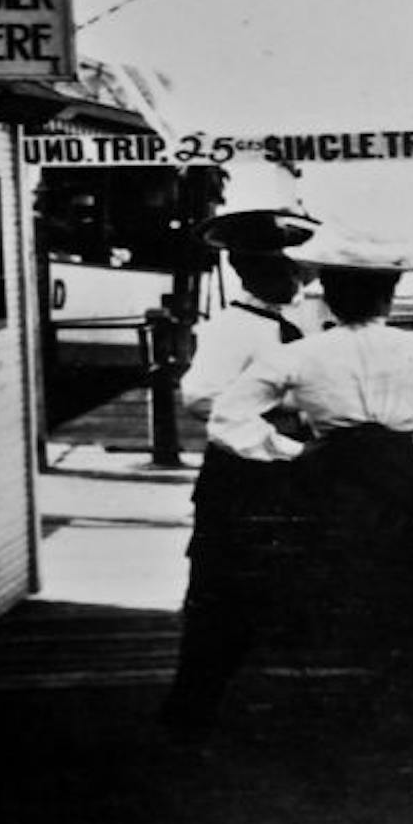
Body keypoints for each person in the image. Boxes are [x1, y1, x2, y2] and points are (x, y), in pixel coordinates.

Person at [206, 236, 413, 735]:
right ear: (388, 298)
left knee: (335, 582)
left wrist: (292, 453)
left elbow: (225, 419)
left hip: (330, 486)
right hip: (407, 485)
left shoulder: (301, 354)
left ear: (329, 296)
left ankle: (340, 699)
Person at [160, 222, 326, 736]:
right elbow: (201, 397)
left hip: (289, 472)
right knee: (220, 592)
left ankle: (282, 698)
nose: (291, 279)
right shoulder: (232, 330)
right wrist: (273, 429)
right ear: (243, 270)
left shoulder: (292, 323)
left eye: (293, 268)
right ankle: (192, 708)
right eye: (275, 269)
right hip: (241, 473)